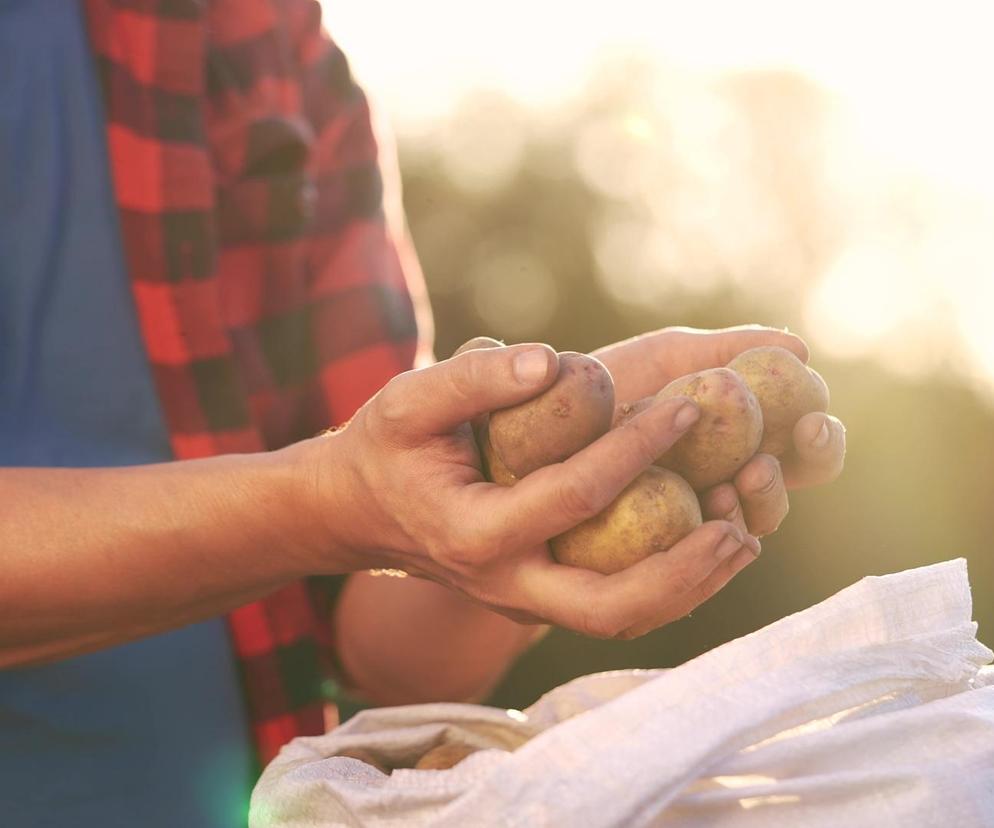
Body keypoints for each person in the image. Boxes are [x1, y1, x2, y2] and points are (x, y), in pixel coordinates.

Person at [0, 1, 846, 825]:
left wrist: (524, 516)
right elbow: (335, 505)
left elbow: (383, 647)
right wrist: (321, 506)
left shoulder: (271, 48)